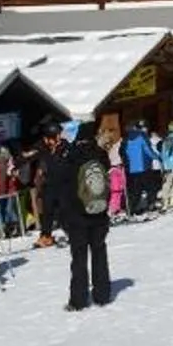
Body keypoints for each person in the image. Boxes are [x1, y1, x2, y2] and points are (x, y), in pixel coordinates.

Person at [44, 119, 115, 312]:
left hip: (76, 215)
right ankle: (102, 294)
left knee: (79, 257)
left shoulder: (70, 155)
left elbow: (59, 186)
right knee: (100, 252)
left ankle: (79, 300)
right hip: (99, 213)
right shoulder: (101, 155)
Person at [121, 122, 157, 217]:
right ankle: (151, 206)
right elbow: (147, 150)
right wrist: (157, 157)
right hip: (144, 167)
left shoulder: (126, 139)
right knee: (150, 188)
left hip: (131, 169)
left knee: (135, 190)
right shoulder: (142, 136)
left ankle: (132, 208)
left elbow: (123, 152)